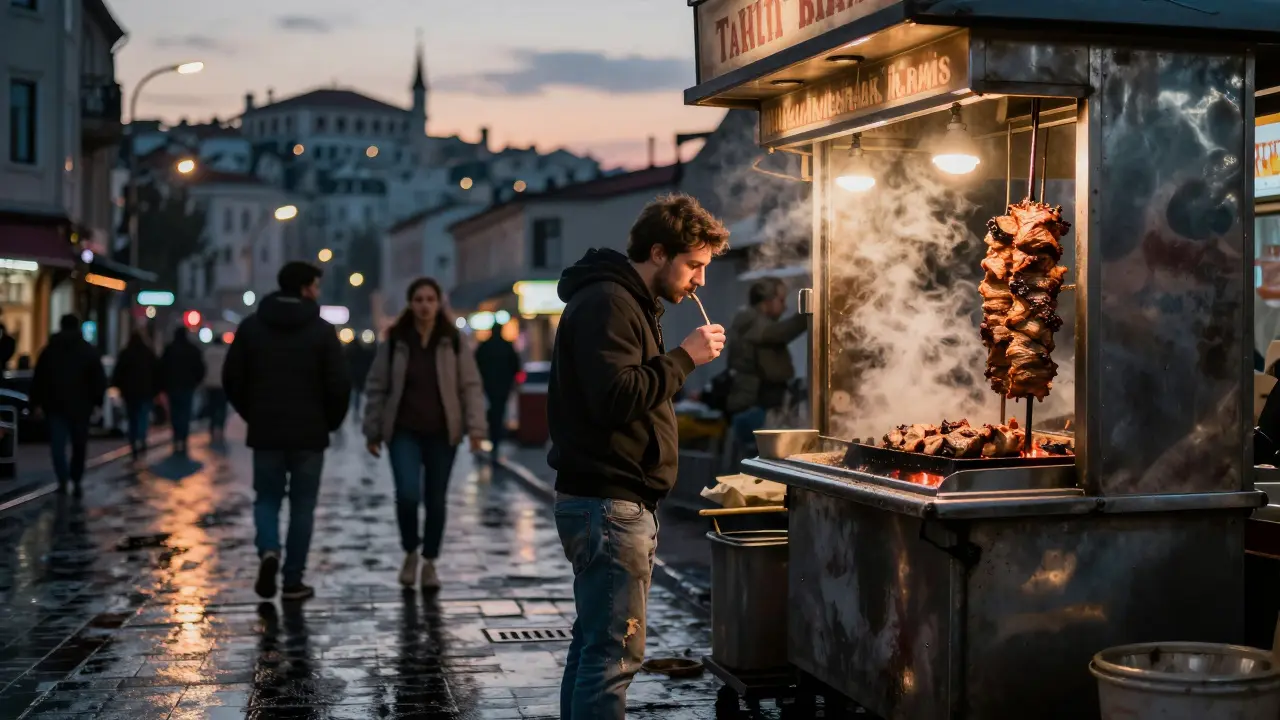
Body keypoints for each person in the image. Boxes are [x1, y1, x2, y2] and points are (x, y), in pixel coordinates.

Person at [547, 193, 729, 718]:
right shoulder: (609, 301)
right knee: (613, 654)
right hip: (610, 504)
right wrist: (685, 358)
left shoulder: (625, 300)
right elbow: (616, 397)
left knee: (593, 647)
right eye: (693, 265)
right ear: (657, 251)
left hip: (608, 500)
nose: (700, 281)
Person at [224, 262, 350, 602]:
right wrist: (331, 421)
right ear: (307, 288)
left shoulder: (251, 327)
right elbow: (339, 383)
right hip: (310, 434)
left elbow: (232, 378)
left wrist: (252, 414)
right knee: (302, 505)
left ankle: (268, 550)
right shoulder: (322, 331)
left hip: (266, 431)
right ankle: (292, 581)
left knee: (266, 498)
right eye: (316, 286)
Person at [363, 277, 487, 591]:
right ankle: (410, 552)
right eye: (418, 299)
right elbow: (377, 386)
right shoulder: (395, 340)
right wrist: (372, 430)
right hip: (403, 430)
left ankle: (430, 562)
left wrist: (476, 429)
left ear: (438, 302)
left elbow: (470, 386)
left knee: (435, 499)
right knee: (407, 495)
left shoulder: (453, 340)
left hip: (442, 432)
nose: (424, 305)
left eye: (430, 299)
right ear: (410, 303)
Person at [725, 277, 810, 453]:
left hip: (761, 405)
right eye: (781, 300)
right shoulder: (749, 320)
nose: (785, 307)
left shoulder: (753, 321)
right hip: (756, 408)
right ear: (767, 300)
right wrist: (809, 312)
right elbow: (778, 333)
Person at [30, 314, 106, 495]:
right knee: (79, 445)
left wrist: (36, 403)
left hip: (55, 406)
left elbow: (39, 379)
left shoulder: (49, 351)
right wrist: (97, 402)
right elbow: (98, 379)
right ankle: (76, 478)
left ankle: (63, 478)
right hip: (81, 407)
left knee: (58, 446)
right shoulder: (88, 351)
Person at [111, 329, 162, 468]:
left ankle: (134, 444)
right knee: (143, 417)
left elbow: (118, 372)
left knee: (132, 418)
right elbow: (157, 372)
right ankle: (142, 439)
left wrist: (118, 386)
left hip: (130, 393)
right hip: (146, 392)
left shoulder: (126, 354)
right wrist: (156, 390)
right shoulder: (148, 353)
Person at [474, 323, 522, 466]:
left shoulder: (484, 347)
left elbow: (476, 365)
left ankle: (488, 440)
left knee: (489, 414)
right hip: (502, 387)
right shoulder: (507, 346)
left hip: (488, 387)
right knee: (499, 414)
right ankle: (494, 442)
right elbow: (516, 366)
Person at [160, 327, 206, 456]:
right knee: (185, 413)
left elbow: (162, 367)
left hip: (172, 387)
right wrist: (195, 382)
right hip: (187, 387)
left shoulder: (169, 349)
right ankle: (183, 439)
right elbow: (200, 368)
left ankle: (176, 437)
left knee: (175, 414)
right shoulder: (192, 350)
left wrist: (163, 385)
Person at [203, 335, 230, 443]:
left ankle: (212, 427)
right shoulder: (226, 353)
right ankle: (221, 429)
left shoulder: (207, 352)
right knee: (222, 408)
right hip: (223, 385)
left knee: (212, 407)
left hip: (209, 385)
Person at [345, 338, 375, 420]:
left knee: (355, 394)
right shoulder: (364, 352)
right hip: (360, 376)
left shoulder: (349, 352)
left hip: (354, 376)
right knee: (357, 395)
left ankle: (354, 411)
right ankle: (356, 412)